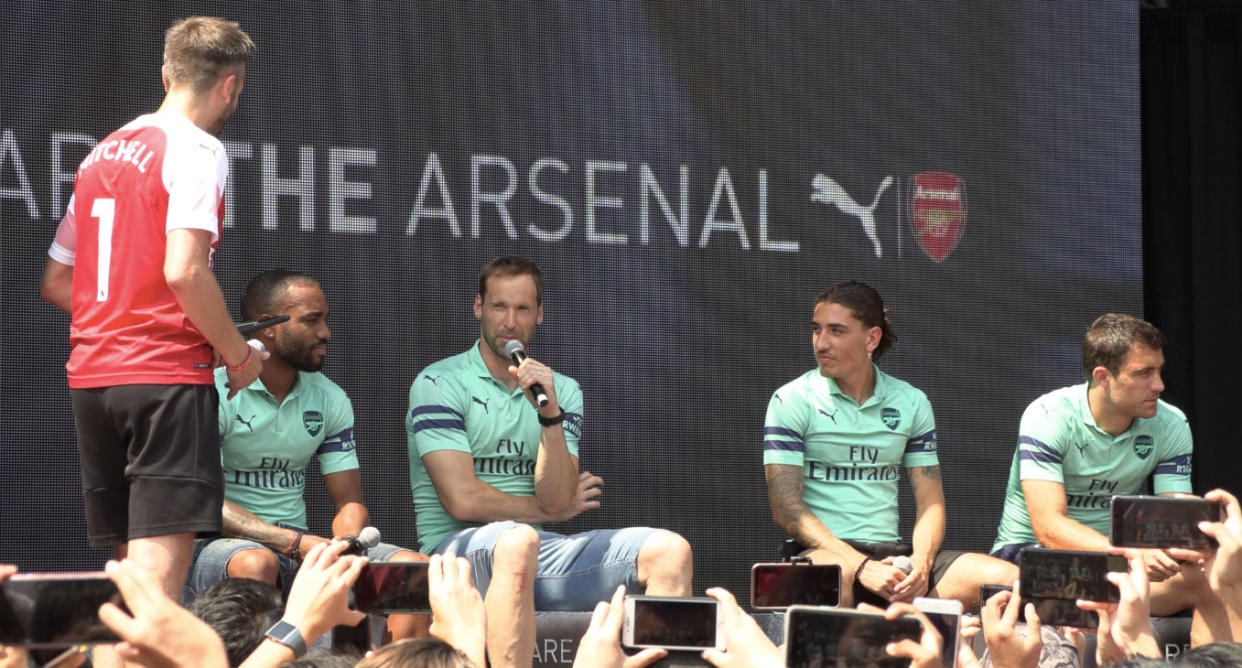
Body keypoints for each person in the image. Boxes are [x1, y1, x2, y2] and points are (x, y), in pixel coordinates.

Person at [39, 16, 260, 599]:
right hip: (164, 382)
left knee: (130, 590)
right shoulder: (198, 149)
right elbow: (185, 270)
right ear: (231, 86)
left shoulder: (100, 153)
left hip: (93, 379)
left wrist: (126, 321)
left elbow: (59, 281)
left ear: (165, 74)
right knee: (157, 594)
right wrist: (236, 354)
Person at [406, 256, 694, 668]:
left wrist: (550, 417)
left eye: (522, 308)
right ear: (478, 308)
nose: (509, 321)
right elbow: (462, 500)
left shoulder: (561, 391)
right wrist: (546, 511)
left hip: (535, 553)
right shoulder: (439, 382)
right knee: (518, 540)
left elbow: (556, 497)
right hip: (455, 558)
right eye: (498, 307)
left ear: (539, 315)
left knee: (670, 550)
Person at [185, 270, 427, 640]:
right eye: (312, 320)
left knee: (412, 571)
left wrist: (347, 543)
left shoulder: (329, 398)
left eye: (324, 319)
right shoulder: (212, 390)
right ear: (268, 327)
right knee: (257, 562)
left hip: (299, 548)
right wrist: (293, 544)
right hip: (219, 547)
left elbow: (349, 499)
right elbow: (203, 503)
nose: (325, 332)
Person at [764, 280, 1016, 610]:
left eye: (836, 331)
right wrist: (862, 567)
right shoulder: (792, 400)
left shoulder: (911, 401)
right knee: (832, 579)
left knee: (1009, 581)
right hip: (826, 558)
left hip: (895, 563)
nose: (821, 343)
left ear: (872, 338)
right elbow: (786, 508)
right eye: (817, 330)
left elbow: (931, 504)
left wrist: (922, 565)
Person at [990, 314, 1207, 621]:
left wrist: (1197, 536)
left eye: (1159, 371)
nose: (1158, 385)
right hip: (1034, 550)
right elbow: (1049, 529)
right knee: (1025, 575)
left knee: (1212, 576)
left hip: (1119, 560)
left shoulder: (1171, 423)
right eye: (1144, 373)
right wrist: (1130, 554)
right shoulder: (1048, 416)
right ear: (1103, 376)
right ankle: (1113, 602)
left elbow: (1173, 513)